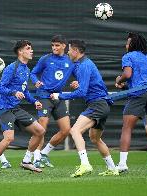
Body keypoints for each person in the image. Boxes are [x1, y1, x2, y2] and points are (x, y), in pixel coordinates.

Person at [51, 40, 118, 177]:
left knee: (75, 130)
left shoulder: (83, 65)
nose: (68, 52)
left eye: (69, 50)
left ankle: (85, 164)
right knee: (95, 139)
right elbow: (88, 86)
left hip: (97, 104)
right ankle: (112, 168)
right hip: (101, 104)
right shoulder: (85, 64)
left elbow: (82, 92)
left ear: (76, 51)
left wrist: (60, 96)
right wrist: (79, 84)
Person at [0, 40, 45, 174]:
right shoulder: (12, 67)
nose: (31, 51)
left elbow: (24, 91)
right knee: (9, 138)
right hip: (5, 108)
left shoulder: (26, 69)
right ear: (20, 51)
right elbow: (0, 87)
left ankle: (26, 161)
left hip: (16, 108)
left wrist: (34, 101)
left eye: (31, 48)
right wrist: (13, 92)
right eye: (28, 48)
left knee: (40, 131)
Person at [115, 32, 147, 174]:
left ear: (132, 44)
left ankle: (122, 164)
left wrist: (119, 80)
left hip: (139, 94)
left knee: (127, 128)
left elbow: (128, 74)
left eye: (127, 42)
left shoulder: (128, 56)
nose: (126, 45)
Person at [30, 35, 75, 168]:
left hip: (58, 97)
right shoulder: (46, 59)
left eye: (57, 45)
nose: (54, 48)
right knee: (41, 128)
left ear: (64, 46)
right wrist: (36, 81)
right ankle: (36, 157)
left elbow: (77, 76)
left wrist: (77, 82)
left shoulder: (70, 61)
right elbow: (33, 73)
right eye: (53, 45)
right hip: (44, 96)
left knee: (66, 130)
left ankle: (44, 153)